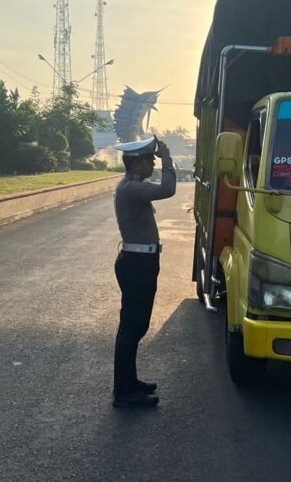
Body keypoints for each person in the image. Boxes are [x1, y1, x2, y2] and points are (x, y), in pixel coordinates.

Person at [110, 136, 176, 408]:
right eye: (150, 159)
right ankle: (124, 392)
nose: (153, 163)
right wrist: (168, 158)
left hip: (140, 262)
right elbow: (168, 188)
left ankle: (129, 382)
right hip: (137, 264)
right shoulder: (131, 188)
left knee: (136, 326)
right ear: (137, 164)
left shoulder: (132, 186)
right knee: (132, 327)